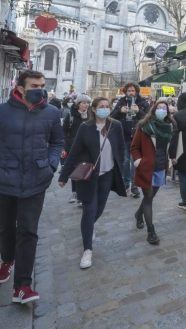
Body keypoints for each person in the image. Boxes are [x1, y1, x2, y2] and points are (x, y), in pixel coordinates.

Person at [0, 70, 64, 304]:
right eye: (34, 85)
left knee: (28, 230)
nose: (40, 89)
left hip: (36, 181)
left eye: (42, 85)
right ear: (20, 88)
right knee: (5, 228)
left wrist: (51, 165)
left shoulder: (52, 112)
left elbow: (57, 142)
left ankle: (23, 285)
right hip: (5, 180)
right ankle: (7, 260)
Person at [58, 97, 127, 269]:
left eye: (107, 106)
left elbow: (120, 147)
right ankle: (87, 249)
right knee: (89, 209)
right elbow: (74, 152)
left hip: (107, 175)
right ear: (94, 110)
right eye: (101, 107)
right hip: (89, 176)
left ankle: (88, 227)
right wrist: (64, 176)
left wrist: (120, 166)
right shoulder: (85, 127)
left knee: (99, 209)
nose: (105, 109)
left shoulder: (115, 125)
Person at [130, 100, 176, 244]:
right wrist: (139, 161)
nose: (162, 110)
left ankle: (138, 214)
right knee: (148, 197)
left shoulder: (169, 127)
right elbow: (134, 147)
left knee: (150, 196)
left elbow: (171, 146)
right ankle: (151, 231)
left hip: (160, 167)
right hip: (146, 167)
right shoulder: (145, 127)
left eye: (164, 108)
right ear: (154, 109)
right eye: (159, 107)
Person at [111, 82, 150, 198]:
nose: (131, 93)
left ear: (136, 91)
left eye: (133, 91)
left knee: (135, 162)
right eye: (129, 91)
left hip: (138, 137)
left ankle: (134, 186)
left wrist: (139, 112)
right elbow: (111, 117)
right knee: (125, 161)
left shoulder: (143, 102)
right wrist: (119, 111)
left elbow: (149, 117)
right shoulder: (121, 102)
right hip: (124, 136)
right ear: (125, 92)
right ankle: (125, 182)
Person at [62, 94, 92, 204]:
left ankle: (81, 195)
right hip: (73, 146)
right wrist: (66, 145)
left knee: (85, 169)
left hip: (87, 147)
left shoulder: (91, 115)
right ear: (78, 104)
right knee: (75, 169)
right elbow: (65, 130)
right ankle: (75, 192)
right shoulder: (71, 115)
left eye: (88, 103)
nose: (86, 105)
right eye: (84, 103)